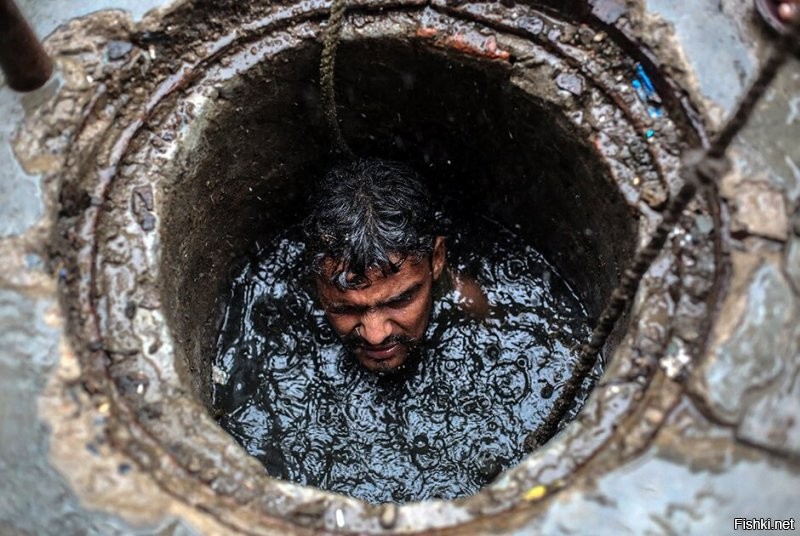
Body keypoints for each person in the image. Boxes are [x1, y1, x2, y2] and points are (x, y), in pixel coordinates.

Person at [304, 157, 488, 373]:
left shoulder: (467, 301)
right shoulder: (292, 301)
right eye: (345, 308)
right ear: (314, 281)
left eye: (400, 300)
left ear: (437, 259)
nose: (375, 335)